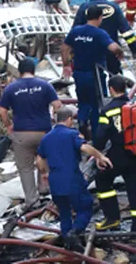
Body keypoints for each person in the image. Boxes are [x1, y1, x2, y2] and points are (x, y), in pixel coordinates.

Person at [36, 107, 112, 250]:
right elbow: (84, 148)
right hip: (72, 179)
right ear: (69, 119)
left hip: (55, 181)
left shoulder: (46, 138)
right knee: (85, 207)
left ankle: (68, 244)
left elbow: (39, 159)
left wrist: (44, 173)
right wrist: (100, 156)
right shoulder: (71, 134)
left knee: (64, 212)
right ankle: (74, 232)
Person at [0, 60, 63, 208]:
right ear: (33, 70)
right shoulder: (45, 85)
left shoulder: (11, 88)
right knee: (45, 160)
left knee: (26, 168)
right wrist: (54, 118)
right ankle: (45, 189)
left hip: (22, 133)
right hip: (43, 132)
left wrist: (9, 125)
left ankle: (32, 201)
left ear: (19, 72)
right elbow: (57, 105)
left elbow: (2, 110)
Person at [93, 76, 136, 232]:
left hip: (118, 153)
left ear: (111, 89)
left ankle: (112, 218)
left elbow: (100, 136)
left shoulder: (107, 110)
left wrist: (97, 154)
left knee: (102, 179)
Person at [62, 6, 124, 138]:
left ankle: (82, 123)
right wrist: (120, 53)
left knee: (83, 101)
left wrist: (66, 65)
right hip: (94, 75)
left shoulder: (76, 31)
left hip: (78, 73)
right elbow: (113, 48)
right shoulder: (99, 33)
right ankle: (97, 135)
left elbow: (65, 47)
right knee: (97, 104)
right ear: (100, 18)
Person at [73, 0, 136, 74]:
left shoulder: (84, 7)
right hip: (111, 49)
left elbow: (75, 31)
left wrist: (74, 51)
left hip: (89, 49)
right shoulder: (114, 7)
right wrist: (135, 49)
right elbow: (126, 31)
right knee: (114, 76)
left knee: (93, 76)